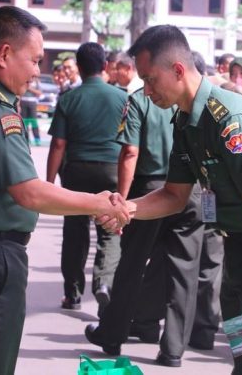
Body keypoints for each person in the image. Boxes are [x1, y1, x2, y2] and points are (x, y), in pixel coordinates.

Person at [0, 6, 128, 375]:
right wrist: (97, 202)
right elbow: (30, 193)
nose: (38, 71)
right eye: (34, 60)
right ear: (4, 54)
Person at [116, 25, 242, 375]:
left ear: (178, 70)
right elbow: (174, 195)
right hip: (240, 242)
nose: (147, 90)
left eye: (151, 80)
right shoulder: (185, 121)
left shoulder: (228, 118)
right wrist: (128, 209)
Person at [85, 82, 205, 367]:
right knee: (183, 270)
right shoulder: (190, 97)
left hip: (151, 189)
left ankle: (113, 335)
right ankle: (173, 349)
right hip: (193, 190)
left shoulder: (141, 99)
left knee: (132, 265)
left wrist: (121, 203)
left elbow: (130, 152)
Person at [46, 42, 127, 311]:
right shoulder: (122, 98)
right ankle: (103, 282)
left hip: (77, 170)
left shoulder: (69, 98)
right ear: (105, 66)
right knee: (111, 230)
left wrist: (49, 183)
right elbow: (131, 145)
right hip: (112, 169)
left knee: (75, 232)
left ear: (78, 68)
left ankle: (73, 293)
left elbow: (58, 144)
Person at [20, 77, 42, 146]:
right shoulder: (24, 79)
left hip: (32, 102)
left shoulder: (37, 81)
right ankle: (26, 139)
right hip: (23, 101)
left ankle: (37, 139)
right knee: (24, 122)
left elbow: (39, 93)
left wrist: (30, 89)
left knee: (33, 121)